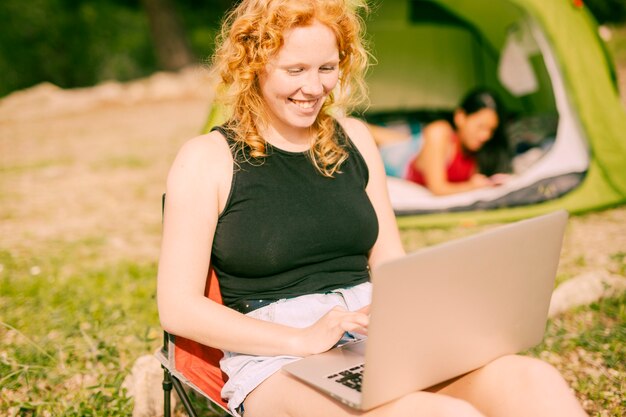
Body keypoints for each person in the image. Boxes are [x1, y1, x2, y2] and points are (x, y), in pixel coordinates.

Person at [156, 1, 588, 416]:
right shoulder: (206, 159)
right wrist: (304, 338)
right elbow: (178, 307)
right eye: (295, 70)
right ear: (253, 64)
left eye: (327, 68)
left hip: (377, 333)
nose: (314, 87)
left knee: (532, 380)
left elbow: (389, 261)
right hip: (276, 353)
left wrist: (425, 317)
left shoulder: (355, 139)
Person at [368, 89, 513, 195]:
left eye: (491, 130)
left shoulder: (482, 151)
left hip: (416, 147)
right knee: (361, 133)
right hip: (402, 157)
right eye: (480, 127)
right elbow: (438, 188)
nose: (485, 136)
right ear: (460, 117)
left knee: (401, 140)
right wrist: (471, 186)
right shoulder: (439, 131)